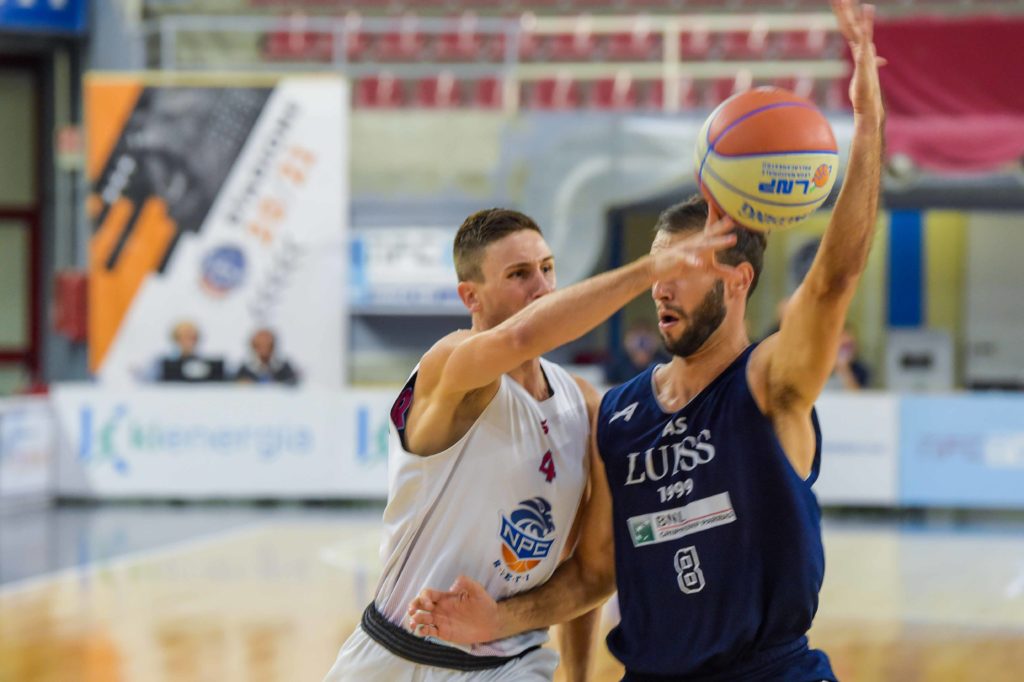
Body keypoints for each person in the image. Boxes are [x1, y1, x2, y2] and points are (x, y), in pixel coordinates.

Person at [406, 2, 884, 679]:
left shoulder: (771, 381)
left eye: (685, 269)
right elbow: (593, 573)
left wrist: (868, 122)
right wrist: (500, 620)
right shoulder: (620, 414)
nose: (662, 287)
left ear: (739, 279)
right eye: (660, 269)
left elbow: (833, 282)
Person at [324, 207, 738, 681]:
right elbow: (521, 336)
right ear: (471, 296)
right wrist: (650, 270)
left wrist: (573, 674)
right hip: (393, 656)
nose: (541, 287)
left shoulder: (585, 407)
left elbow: (589, 573)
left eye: (547, 268)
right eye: (519, 274)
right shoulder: (449, 369)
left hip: (513, 666)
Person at [158, 320, 225, 382]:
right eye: (183, 336)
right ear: (176, 339)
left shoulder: (210, 365)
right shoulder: (164, 366)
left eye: (191, 337)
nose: (188, 341)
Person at [604, 323, 671, 385]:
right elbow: (609, 383)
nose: (642, 342)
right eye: (637, 335)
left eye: (646, 335)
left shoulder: (664, 361)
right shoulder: (619, 362)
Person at [235, 328, 300, 385]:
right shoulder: (245, 369)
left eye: (268, 344)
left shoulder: (283, 368)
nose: (264, 348)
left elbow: (292, 382)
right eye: (260, 345)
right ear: (254, 346)